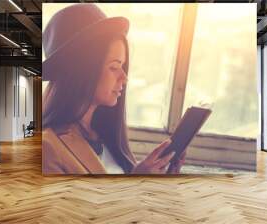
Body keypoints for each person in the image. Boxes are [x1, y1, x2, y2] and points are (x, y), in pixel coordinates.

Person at [42, 4, 185, 174]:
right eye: (114, 67)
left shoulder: (107, 137)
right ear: (83, 70)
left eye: (123, 66)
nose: (124, 77)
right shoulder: (47, 147)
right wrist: (136, 183)